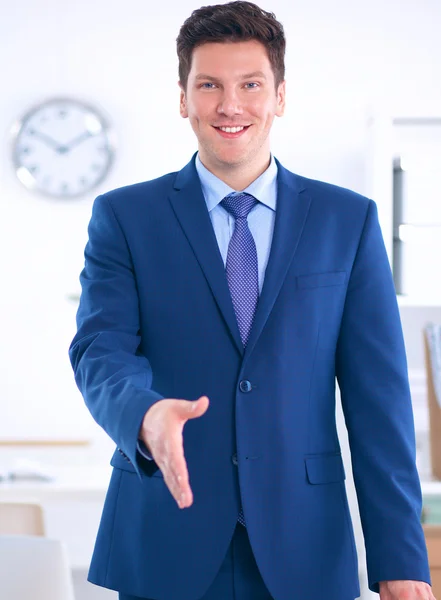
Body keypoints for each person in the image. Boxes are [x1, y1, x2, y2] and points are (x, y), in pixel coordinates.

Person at [68, 2, 435, 599]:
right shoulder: (125, 218)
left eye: (250, 84)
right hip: (166, 536)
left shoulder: (348, 220)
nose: (229, 105)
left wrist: (401, 558)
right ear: (183, 98)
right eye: (208, 84)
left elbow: (379, 401)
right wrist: (144, 414)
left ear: (280, 96)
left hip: (305, 548)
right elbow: (99, 352)